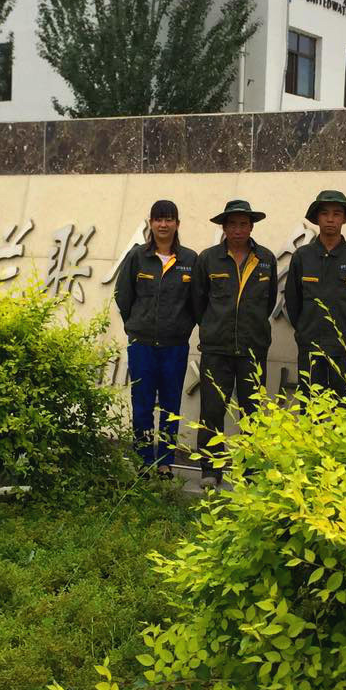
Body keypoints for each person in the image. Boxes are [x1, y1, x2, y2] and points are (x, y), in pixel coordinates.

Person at [191, 199, 277, 488]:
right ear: (224, 228)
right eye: (232, 224)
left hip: (253, 348)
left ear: (251, 227)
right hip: (217, 349)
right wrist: (214, 328)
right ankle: (210, 469)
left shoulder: (266, 259)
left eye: (243, 224)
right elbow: (198, 303)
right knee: (212, 410)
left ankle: (250, 471)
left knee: (252, 412)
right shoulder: (208, 259)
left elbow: (269, 302)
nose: (238, 229)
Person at [113, 200, 198, 478]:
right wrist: (136, 326)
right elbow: (123, 296)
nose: (163, 224)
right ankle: (144, 459)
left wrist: (181, 327)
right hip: (142, 346)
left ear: (177, 224)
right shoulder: (137, 257)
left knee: (171, 406)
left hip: (175, 346)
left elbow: (196, 302)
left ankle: (165, 462)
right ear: (150, 223)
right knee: (143, 404)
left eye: (169, 219)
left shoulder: (189, 260)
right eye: (158, 219)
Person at [284, 189, 346, 402]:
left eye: (337, 214)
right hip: (310, 346)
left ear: (344, 218)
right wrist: (305, 330)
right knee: (310, 406)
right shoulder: (302, 256)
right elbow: (293, 301)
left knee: (345, 406)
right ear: (317, 218)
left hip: (345, 347)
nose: (330, 219)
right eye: (325, 213)